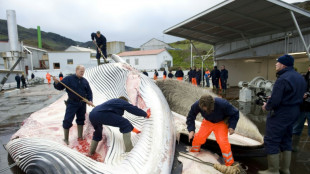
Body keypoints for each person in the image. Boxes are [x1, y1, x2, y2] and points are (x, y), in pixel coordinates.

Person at [259, 55, 306, 174]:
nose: (276, 64)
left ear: (283, 65)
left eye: (277, 63)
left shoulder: (282, 79)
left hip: (281, 113)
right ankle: (285, 169)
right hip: (294, 111)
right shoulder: (300, 77)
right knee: (286, 139)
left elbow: (275, 102)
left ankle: (273, 170)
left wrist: (267, 106)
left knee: (272, 140)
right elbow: (297, 95)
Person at [187, 94, 239, 166]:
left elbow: (235, 113)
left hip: (220, 123)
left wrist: (232, 126)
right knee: (199, 138)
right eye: (204, 110)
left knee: (223, 142)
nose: (206, 111)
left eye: (208, 109)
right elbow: (191, 116)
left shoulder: (223, 104)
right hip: (207, 122)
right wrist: (191, 130)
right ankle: (194, 153)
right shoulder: (197, 104)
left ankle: (229, 163)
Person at [52, 65, 93, 145]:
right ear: (76, 70)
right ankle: (66, 139)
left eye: (83, 71)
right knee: (67, 120)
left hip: (82, 103)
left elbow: (89, 92)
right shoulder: (69, 79)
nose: (82, 73)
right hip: (72, 103)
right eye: (81, 71)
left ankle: (80, 137)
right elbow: (60, 87)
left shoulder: (85, 81)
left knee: (81, 120)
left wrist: (90, 100)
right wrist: (56, 82)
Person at [292, 65, 310, 152]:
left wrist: (308, 94)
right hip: (302, 107)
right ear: (308, 68)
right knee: (296, 128)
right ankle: (293, 148)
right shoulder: (302, 78)